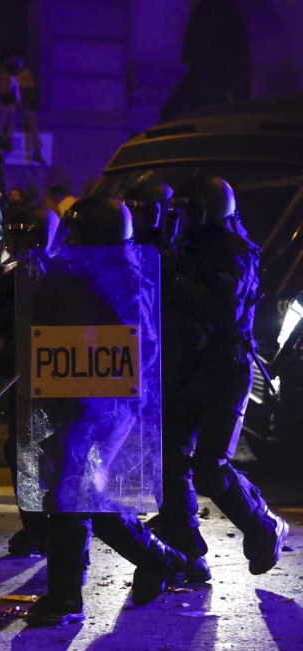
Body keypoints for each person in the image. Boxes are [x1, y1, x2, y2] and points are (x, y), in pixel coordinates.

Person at [24, 196, 186, 627]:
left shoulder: (126, 280)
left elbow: (140, 346)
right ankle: (158, 558)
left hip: (108, 402)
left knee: (70, 493)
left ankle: (65, 597)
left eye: (77, 236)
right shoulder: (82, 273)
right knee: (80, 493)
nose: (70, 243)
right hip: (79, 397)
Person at [158, 175, 289, 582]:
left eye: (188, 209)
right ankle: (186, 551)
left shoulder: (235, 251)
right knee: (170, 459)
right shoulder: (184, 247)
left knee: (210, 467)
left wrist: (175, 282)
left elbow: (224, 311)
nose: (180, 216)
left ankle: (264, 526)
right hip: (190, 366)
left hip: (225, 369)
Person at [0, 205, 58, 556]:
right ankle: (34, 526)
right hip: (22, 379)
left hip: (57, 379)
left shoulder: (62, 276)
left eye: (27, 236)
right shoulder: (10, 281)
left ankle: (60, 528)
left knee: (55, 453)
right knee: (19, 453)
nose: (21, 244)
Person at [0, 55, 43, 163]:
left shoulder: (25, 74)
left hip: (22, 105)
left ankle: (37, 150)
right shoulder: (3, 72)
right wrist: (13, 99)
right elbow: (2, 92)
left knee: (32, 118)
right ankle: (5, 142)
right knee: (9, 112)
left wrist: (23, 101)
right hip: (8, 103)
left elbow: (30, 92)